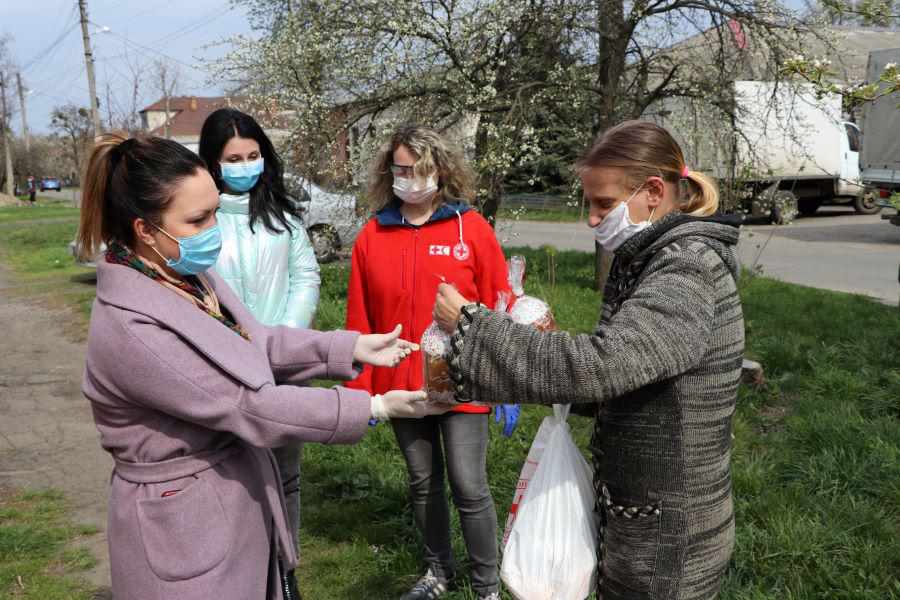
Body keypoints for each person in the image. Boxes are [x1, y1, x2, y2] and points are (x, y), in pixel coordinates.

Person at [77, 132, 449, 600]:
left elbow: (259, 341)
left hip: (230, 500)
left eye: (215, 210)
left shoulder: (185, 274)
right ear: (145, 230)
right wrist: (371, 406)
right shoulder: (131, 328)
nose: (216, 228)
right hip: (184, 527)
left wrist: (350, 347)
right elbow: (247, 406)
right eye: (199, 219)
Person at [435, 120, 745, 600]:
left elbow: (604, 365)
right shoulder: (650, 258)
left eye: (604, 204)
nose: (593, 220)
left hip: (669, 540)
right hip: (645, 518)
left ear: (654, 191)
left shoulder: (686, 267)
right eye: (590, 205)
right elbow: (630, 372)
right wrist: (546, 348)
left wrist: (473, 328)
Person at [346, 125, 518, 600]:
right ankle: (437, 573)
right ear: (390, 172)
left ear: (440, 172)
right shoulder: (372, 235)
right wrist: (364, 392)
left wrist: (503, 381)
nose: (412, 179)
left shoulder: (472, 228)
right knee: (423, 482)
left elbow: (499, 303)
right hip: (404, 385)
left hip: (465, 379)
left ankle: (486, 587)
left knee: (469, 485)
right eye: (403, 169)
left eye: (421, 170)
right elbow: (359, 317)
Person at [199, 107, 319, 596]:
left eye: (253, 155)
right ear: (212, 163)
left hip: (283, 368)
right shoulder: (197, 222)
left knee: (286, 476)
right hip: (221, 368)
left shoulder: (283, 217)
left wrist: (282, 341)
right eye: (233, 158)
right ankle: (238, 573)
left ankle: (284, 571)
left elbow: (305, 278)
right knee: (229, 477)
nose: (245, 165)